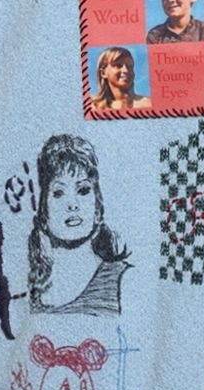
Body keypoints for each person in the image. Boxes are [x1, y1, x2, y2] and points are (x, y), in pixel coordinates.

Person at [28, 134, 131, 314]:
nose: (72, 204)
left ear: (97, 205)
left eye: (83, 190)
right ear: (43, 209)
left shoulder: (124, 279)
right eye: (59, 193)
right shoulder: (31, 287)